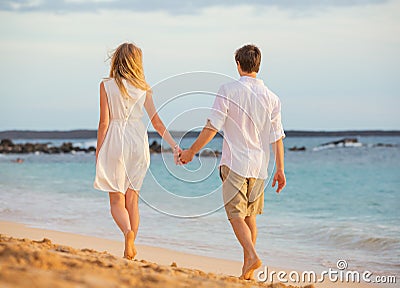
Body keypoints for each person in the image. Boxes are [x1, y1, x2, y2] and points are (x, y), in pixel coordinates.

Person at [179, 44, 286, 280]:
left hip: (235, 163)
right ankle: (247, 269)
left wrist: (191, 151)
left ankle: (251, 254)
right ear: (258, 66)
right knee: (250, 216)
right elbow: (277, 137)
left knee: (235, 215)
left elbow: (212, 126)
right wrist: (280, 169)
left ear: (238, 65)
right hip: (260, 167)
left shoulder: (228, 89)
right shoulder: (272, 98)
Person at [94, 43, 181, 260]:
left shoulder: (106, 86)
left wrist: (99, 152)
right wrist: (175, 146)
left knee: (116, 201)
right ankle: (130, 247)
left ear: (117, 60)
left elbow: (103, 123)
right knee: (132, 200)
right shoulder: (144, 88)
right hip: (137, 141)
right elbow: (157, 123)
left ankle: (127, 233)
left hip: (115, 139)